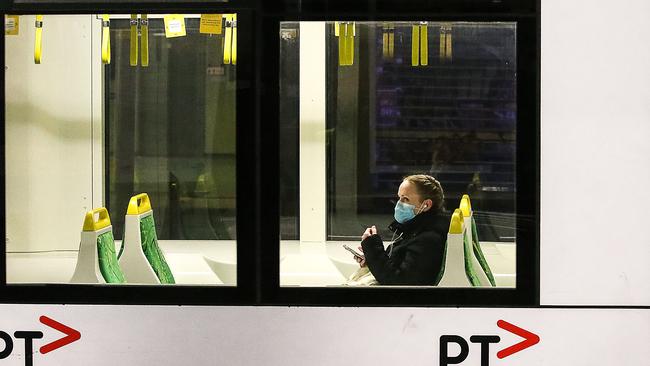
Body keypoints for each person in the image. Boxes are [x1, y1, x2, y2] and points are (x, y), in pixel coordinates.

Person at [355, 174, 449, 285]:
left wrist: (374, 249)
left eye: (406, 199)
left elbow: (399, 282)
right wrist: (371, 258)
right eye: (399, 197)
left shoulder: (429, 239)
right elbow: (397, 267)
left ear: (426, 205)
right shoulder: (416, 230)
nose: (399, 204)